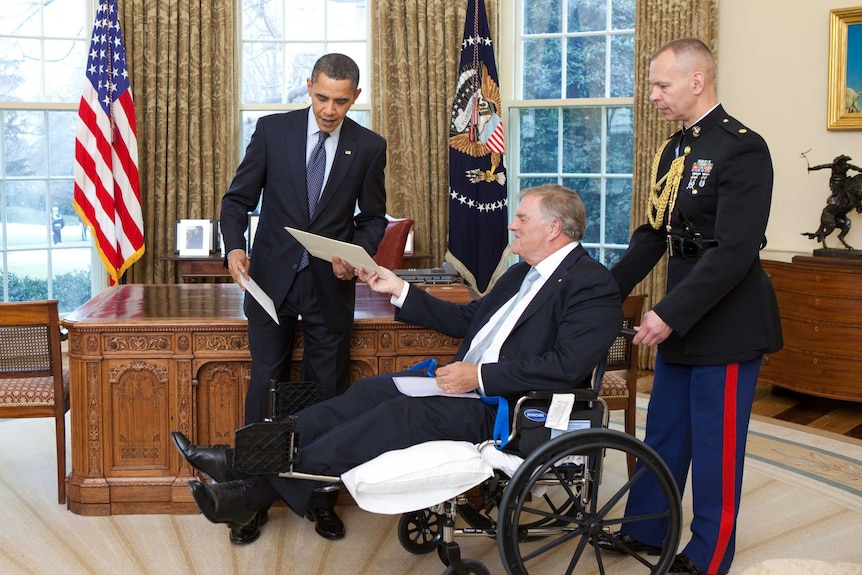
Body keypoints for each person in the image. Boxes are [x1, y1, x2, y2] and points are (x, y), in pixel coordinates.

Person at [172, 184, 622, 546]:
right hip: (462, 385)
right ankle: (244, 459)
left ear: (555, 228)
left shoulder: (592, 285)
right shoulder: (521, 272)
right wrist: (397, 288)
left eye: (522, 218)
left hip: (510, 407)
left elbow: (565, 366)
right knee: (369, 393)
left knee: (398, 415)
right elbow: (469, 318)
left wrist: (479, 375)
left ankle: (250, 490)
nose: (512, 225)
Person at [598, 39, 783, 575]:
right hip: (682, 311)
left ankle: (708, 555)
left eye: (662, 85)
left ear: (697, 81)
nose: (652, 95)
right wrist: (601, 292)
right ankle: (646, 529)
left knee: (716, 446)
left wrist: (670, 312)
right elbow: (654, 234)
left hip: (726, 320)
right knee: (666, 431)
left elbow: (736, 249)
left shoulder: (742, 147)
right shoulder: (675, 150)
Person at [207, 53, 388, 543]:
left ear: (356, 96)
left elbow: (373, 218)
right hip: (270, 282)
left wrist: (359, 255)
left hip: (331, 287)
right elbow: (237, 201)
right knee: (266, 387)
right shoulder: (273, 131)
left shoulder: (369, 147)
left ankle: (319, 498)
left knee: (326, 391)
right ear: (309, 87)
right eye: (322, 97)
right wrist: (235, 247)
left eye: (341, 100)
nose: (330, 110)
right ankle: (252, 499)